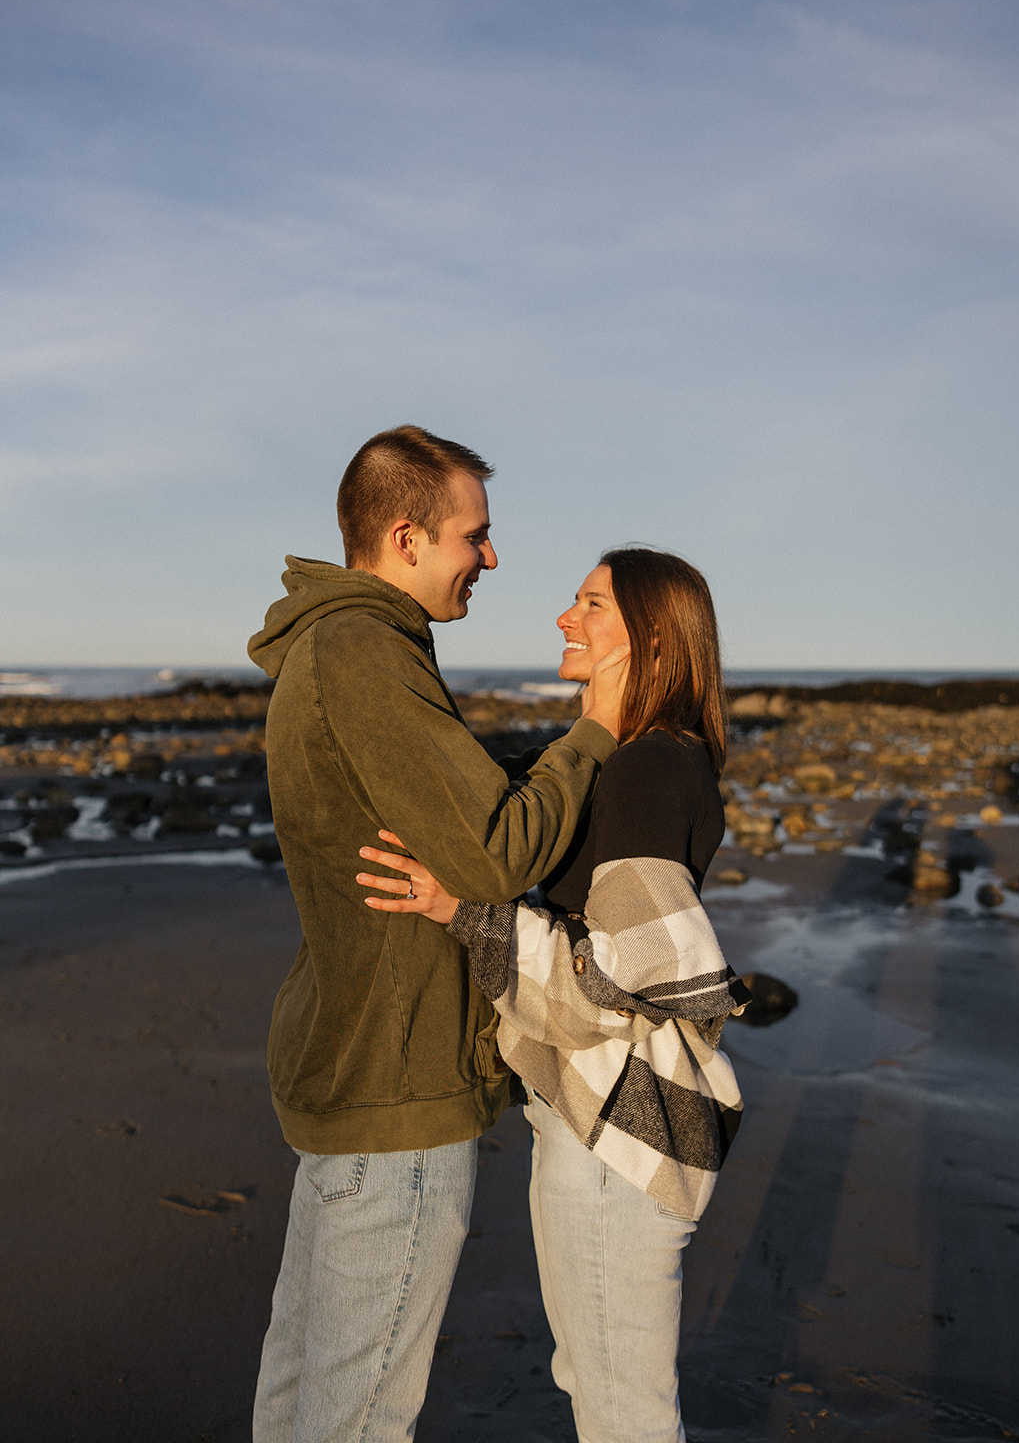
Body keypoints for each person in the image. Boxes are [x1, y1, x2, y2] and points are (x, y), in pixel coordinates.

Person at [247, 426, 626, 1443]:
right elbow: (498, 850)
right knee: (354, 1417)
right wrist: (594, 730)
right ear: (407, 536)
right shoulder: (363, 651)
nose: (491, 559)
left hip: (354, 1062)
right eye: (476, 536)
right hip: (397, 1092)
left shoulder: (334, 644)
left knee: (302, 1397)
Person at [358, 547, 749, 1443]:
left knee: (621, 1409)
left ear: (652, 640)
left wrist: (460, 910)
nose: (566, 618)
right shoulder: (627, 759)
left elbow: (625, 984)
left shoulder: (651, 770)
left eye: (591, 604)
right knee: (597, 1380)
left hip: (618, 1131)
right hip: (590, 1121)